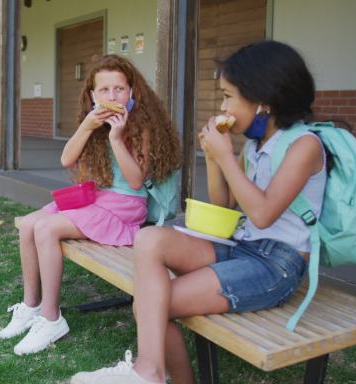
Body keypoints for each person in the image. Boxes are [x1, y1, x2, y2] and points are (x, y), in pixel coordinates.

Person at [72, 41, 326, 384]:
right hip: (243, 247)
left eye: (228, 96)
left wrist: (225, 158)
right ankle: (152, 372)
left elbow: (263, 214)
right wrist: (212, 157)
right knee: (149, 239)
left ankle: (149, 372)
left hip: (277, 263)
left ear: (262, 100)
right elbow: (225, 206)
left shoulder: (304, 145)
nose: (223, 105)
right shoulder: (256, 144)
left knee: (150, 304)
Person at [0, 54, 182, 356]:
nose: (112, 96)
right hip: (98, 199)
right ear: (92, 95)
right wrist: (86, 127)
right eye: (104, 90)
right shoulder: (93, 121)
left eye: (119, 89)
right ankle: (31, 306)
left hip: (126, 207)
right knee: (29, 224)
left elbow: (136, 182)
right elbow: (66, 159)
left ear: (132, 90)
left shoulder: (141, 127)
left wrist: (116, 138)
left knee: (46, 228)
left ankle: (51, 318)